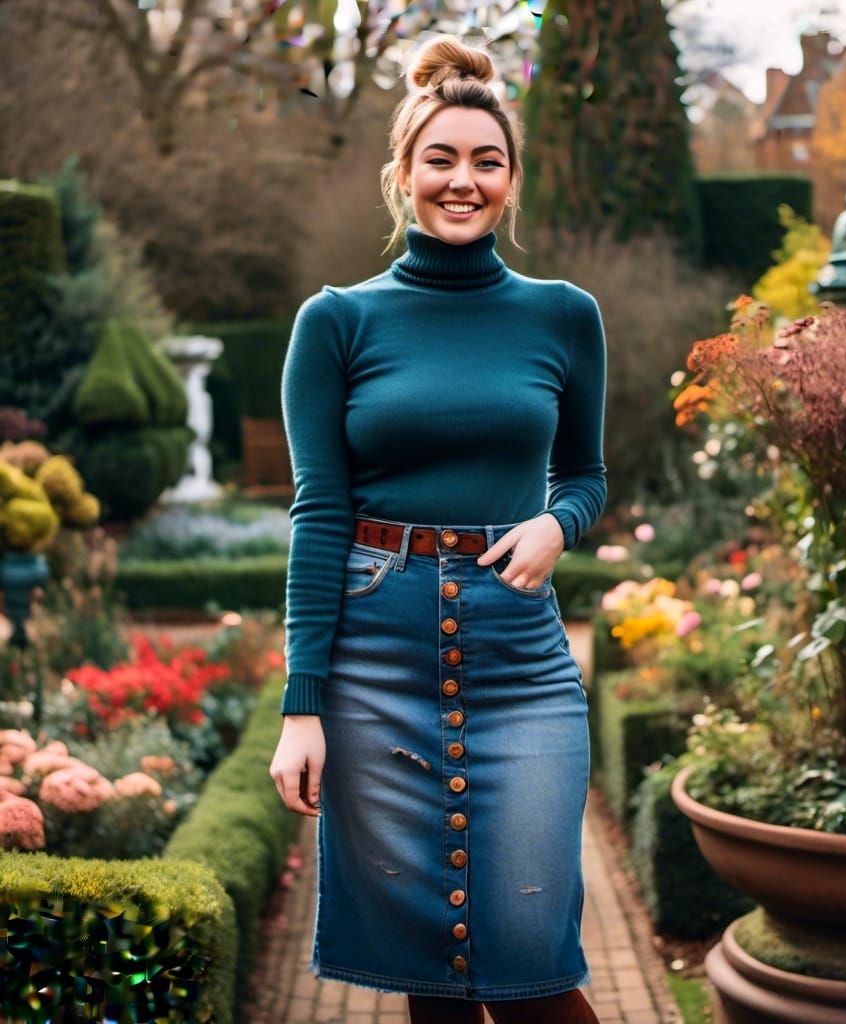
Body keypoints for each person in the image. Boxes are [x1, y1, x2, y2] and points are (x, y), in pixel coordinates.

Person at [269, 31, 607, 1024]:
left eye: (486, 161)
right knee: (432, 971)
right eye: (441, 159)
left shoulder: (564, 315)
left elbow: (586, 475)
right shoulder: (334, 322)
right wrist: (303, 705)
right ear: (402, 175)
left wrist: (556, 523)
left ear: (510, 181)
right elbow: (319, 516)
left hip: (520, 661)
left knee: (530, 958)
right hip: (375, 657)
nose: (463, 180)